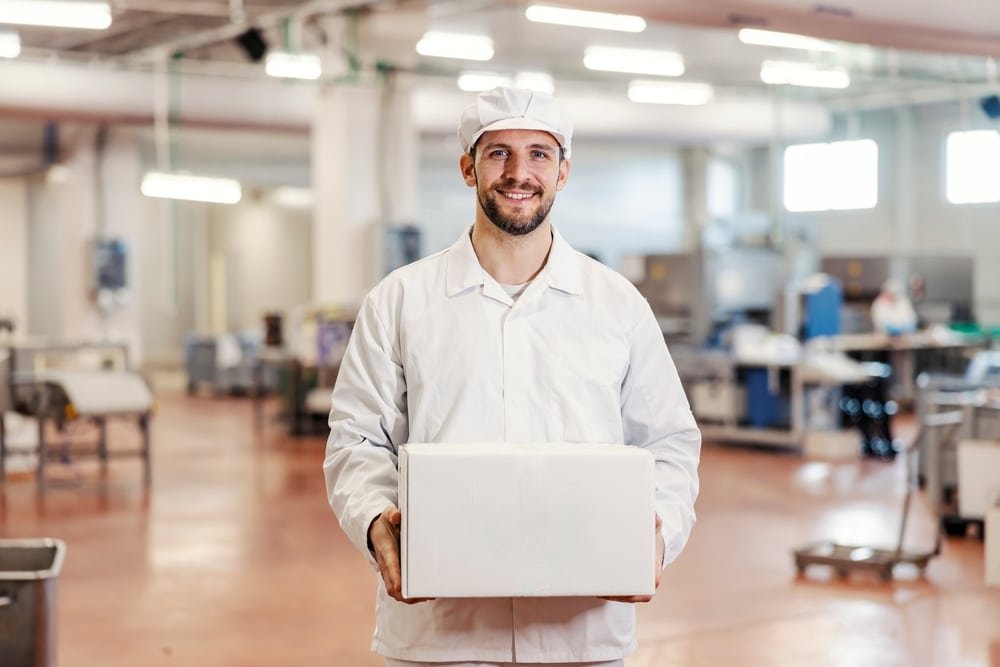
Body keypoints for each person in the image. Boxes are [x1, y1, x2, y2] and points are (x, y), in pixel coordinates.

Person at [323, 86, 701, 667]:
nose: (519, 172)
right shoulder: (399, 301)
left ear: (564, 171)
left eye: (539, 154)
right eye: (498, 153)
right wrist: (376, 521)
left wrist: (659, 533)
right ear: (467, 168)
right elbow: (356, 440)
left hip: (581, 631)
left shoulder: (617, 305)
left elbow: (668, 441)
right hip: (440, 633)